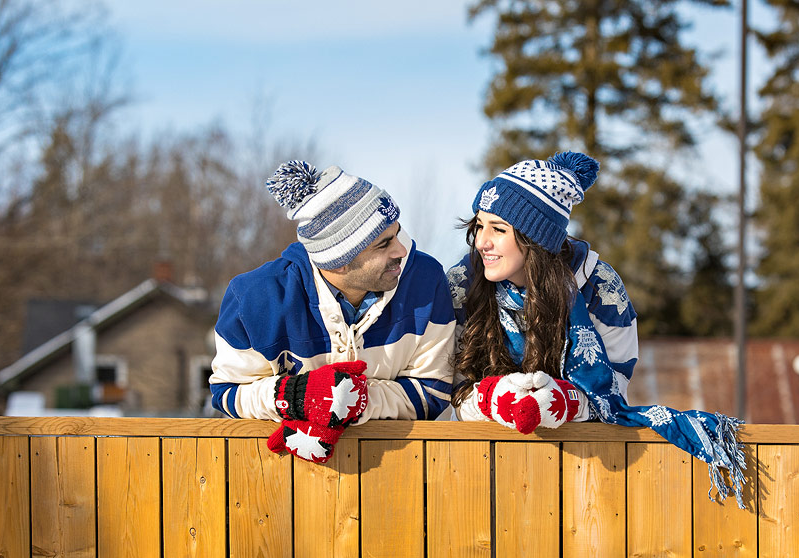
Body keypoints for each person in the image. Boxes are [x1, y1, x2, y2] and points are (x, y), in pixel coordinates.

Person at [446, 151, 746, 504]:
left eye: (498, 229)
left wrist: (562, 401)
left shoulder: (601, 288)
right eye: (479, 225)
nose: (482, 241)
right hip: (480, 466)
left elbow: (613, 391)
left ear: (535, 238)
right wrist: (494, 398)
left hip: (582, 471)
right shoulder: (461, 285)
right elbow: (449, 387)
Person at [210, 160, 455, 463]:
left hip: (399, 470)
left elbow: (434, 391)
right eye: (384, 244)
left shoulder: (425, 280)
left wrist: (355, 400)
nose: (401, 251)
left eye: (398, 232)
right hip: (277, 478)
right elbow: (227, 393)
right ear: (338, 261)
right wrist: (295, 396)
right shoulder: (256, 299)